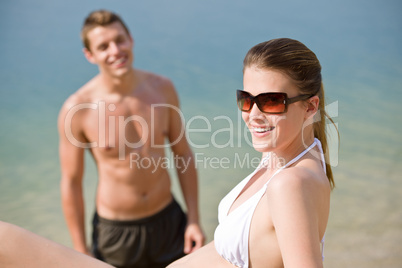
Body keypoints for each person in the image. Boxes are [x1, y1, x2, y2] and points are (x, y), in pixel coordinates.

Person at [168, 38, 338, 268]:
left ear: (310, 107)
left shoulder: (290, 184)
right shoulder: (278, 154)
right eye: (247, 100)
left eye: (271, 101)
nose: (253, 115)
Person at [58, 10, 204, 268]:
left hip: (169, 221)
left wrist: (193, 218)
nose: (115, 50)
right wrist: (79, 251)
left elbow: (182, 154)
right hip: (116, 233)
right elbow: (71, 183)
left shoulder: (162, 89)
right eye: (103, 46)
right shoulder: (78, 109)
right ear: (90, 55)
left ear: (131, 39)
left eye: (120, 40)